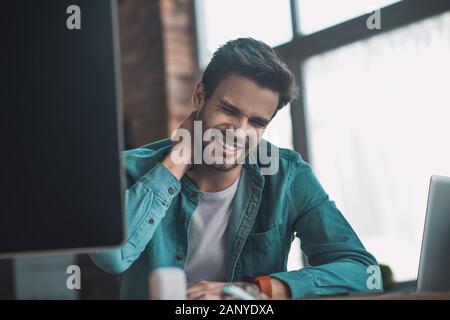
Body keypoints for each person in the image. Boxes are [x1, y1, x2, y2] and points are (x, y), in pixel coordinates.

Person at [90, 38, 382, 299]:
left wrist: (257, 289)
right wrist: (180, 155)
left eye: (256, 122)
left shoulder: (288, 177)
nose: (239, 132)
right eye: (229, 111)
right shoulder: (130, 168)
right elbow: (112, 255)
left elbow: (365, 275)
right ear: (199, 97)